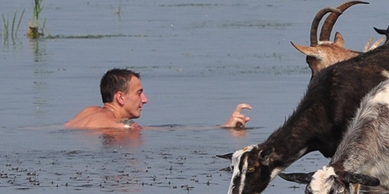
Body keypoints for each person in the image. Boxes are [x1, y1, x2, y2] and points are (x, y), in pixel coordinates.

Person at [65, 68, 252, 130]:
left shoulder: (89, 112)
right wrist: (222, 128)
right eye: (139, 93)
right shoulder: (121, 128)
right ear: (120, 97)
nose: (145, 100)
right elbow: (166, 131)